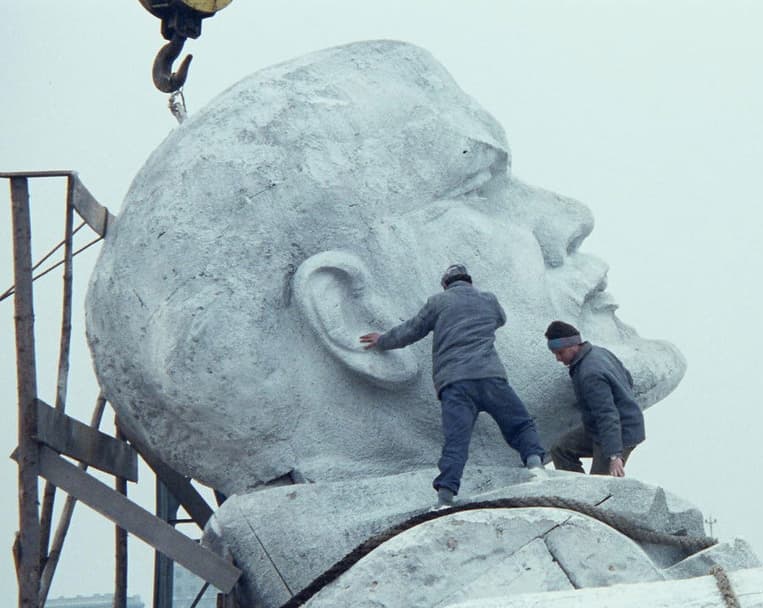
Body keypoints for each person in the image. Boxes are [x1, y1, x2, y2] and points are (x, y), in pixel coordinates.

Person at [85, 40, 686, 497]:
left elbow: (416, 329)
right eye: (479, 189)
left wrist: (393, 336)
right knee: (496, 427)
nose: (571, 219)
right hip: (476, 382)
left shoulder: (442, 310)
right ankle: (514, 469)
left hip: (458, 382)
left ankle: (479, 480)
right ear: (347, 311)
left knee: (471, 433)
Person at [360, 264, 545, 506]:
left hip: (455, 383)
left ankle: (445, 496)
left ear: (445, 284)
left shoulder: (438, 302)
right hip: (490, 376)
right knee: (520, 423)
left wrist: (382, 341)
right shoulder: (488, 300)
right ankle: (535, 466)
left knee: (456, 441)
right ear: (469, 281)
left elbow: (412, 330)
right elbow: (500, 320)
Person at [545, 321, 644, 477]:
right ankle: (575, 492)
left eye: (560, 352)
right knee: (561, 449)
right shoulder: (599, 352)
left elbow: (607, 415)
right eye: (555, 353)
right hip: (598, 429)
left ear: (573, 346)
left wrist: (614, 455)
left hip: (620, 433)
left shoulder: (590, 374)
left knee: (598, 484)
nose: (558, 358)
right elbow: (628, 379)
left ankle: (586, 497)